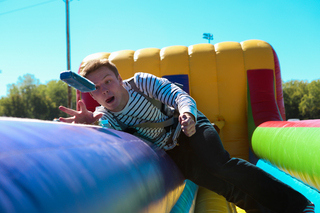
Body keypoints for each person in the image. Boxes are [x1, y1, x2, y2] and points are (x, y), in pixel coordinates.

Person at [59, 58, 314, 213]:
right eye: (97, 89)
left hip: (189, 124)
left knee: (220, 165)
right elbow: (107, 136)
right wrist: (88, 126)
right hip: (172, 149)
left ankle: (297, 205)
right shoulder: (107, 115)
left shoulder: (139, 83)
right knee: (218, 184)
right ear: (92, 96)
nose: (104, 90)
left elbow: (178, 95)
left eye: (108, 81)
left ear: (119, 79)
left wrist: (187, 115)